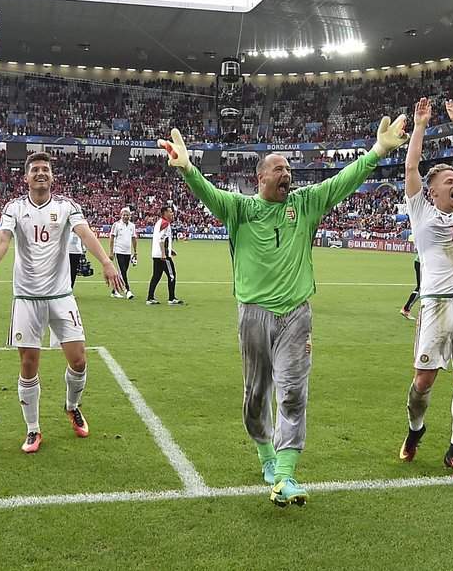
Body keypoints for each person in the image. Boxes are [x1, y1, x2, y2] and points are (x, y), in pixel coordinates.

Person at [161, 112, 408, 507]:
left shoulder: (305, 204)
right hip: (254, 315)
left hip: (296, 314)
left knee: (293, 393)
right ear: (261, 177)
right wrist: (188, 169)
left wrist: (378, 150)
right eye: (279, 169)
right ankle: (266, 456)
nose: (287, 174)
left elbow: (342, 182)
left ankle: (285, 476)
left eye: (289, 169)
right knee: (256, 395)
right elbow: (209, 194)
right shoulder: (240, 209)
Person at [0, 152, 128, 453]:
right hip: (27, 298)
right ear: (26, 177)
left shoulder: (66, 206)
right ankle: (33, 429)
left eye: (45, 169)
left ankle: (72, 406)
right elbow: (2, 241)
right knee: (28, 364)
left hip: (60, 296)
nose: (41, 173)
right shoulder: (15, 208)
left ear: (52, 176)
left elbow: (85, 233)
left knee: (79, 360)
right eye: (35, 169)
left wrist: (107, 262)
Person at [395, 99, 453, 481]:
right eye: (447, 181)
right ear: (431, 191)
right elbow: (411, 167)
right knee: (423, 381)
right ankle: (415, 429)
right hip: (434, 306)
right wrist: (420, 125)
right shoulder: (420, 210)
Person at [146, 204, 180, 305]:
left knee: (156, 276)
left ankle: (150, 298)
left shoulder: (159, 223)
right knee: (172, 275)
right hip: (163, 256)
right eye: (170, 211)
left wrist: (170, 250)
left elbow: (162, 239)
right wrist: (164, 253)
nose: (172, 213)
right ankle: (171, 298)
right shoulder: (165, 223)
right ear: (165, 213)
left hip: (156, 254)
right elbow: (161, 240)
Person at [109, 207, 139, 300]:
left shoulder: (132, 226)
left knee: (123, 273)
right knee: (122, 272)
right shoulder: (116, 225)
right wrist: (111, 252)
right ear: (121, 215)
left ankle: (115, 291)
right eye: (124, 215)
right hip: (118, 251)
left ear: (130, 216)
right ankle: (127, 290)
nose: (126, 217)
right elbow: (112, 238)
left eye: (127, 215)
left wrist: (135, 252)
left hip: (128, 252)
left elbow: (134, 238)